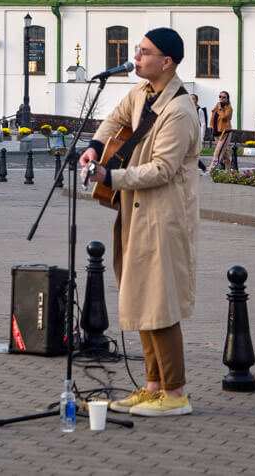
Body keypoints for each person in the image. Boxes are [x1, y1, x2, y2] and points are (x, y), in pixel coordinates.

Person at [79, 27, 199, 418]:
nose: (136, 57)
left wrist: (109, 178)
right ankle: (152, 386)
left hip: (162, 217)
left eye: (145, 52)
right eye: (137, 50)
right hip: (134, 211)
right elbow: (113, 120)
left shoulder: (179, 110)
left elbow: (162, 170)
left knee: (159, 302)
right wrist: (96, 146)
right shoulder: (141, 94)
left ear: (167, 62)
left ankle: (175, 392)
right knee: (140, 297)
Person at [208, 91, 233, 172]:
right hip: (216, 133)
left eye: (223, 97)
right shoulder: (217, 107)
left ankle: (212, 168)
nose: (221, 98)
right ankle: (228, 170)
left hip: (224, 133)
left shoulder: (228, 108)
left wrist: (220, 109)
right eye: (220, 96)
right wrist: (211, 127)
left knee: (217, 153)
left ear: (227, 99)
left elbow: (223, 117)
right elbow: (213, 118)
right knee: (224, 153)